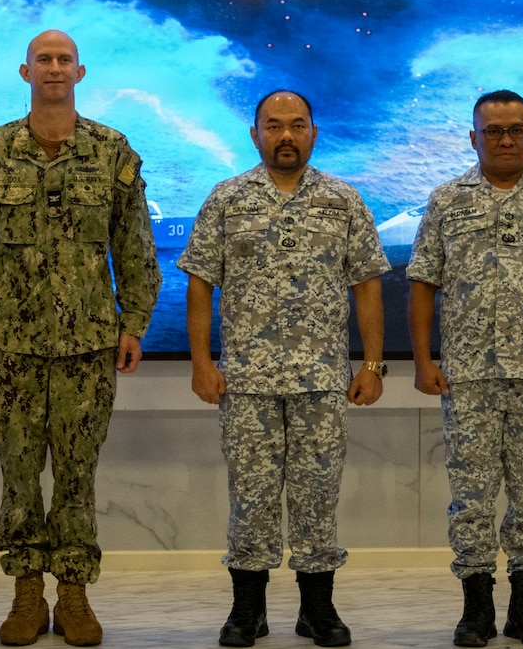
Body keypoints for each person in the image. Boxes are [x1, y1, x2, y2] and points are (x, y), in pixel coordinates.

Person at [0, 29, 160, 648]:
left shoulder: (112, 150)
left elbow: (134, 244)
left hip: (88, 343)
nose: (53, 68)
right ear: (25, 72)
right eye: (43, 59)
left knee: (77, 473)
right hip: (10, 344)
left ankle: (73, 593)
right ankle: (24, 594)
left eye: (63, 59)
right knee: (17, 473)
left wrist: (134, 322)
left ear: (80, 71)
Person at [178, 90, 389, 649]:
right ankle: (247, 611)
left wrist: (372, 364)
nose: (286, 135)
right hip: (246, 381)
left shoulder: (343, 200)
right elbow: (200, 282)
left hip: (322, 381)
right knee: (250, 495)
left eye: (297, 125)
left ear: (314, 133)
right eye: (274, 126)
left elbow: (367, 283)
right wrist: (201, 362)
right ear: (255, 135)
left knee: (318, 493)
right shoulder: (226, 200)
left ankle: (318, 611)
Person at [406, 90, 523, 649]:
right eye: (493, 130)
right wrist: (422, 361)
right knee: (471, 496)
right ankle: (476, 609)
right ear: (473, 138)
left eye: (516, 129)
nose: (506, 138)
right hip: (467, 378)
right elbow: (423, 283)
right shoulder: (447, 201)